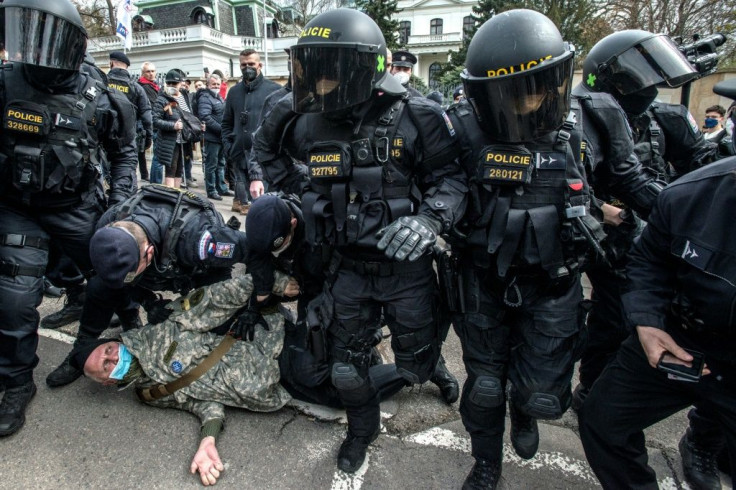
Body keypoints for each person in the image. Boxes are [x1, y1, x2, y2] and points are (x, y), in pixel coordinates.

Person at [253, 8, 467, 473]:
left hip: (405, 270)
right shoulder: (308, 118)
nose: (322, 80)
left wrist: (429, 223)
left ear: (366, 66)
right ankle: (361, 428)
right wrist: (286, 119)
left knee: (414, 362)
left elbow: (451, 181)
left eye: (332, 68)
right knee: (345, 368)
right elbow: (269, 159)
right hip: (345, 268)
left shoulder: (418, 114)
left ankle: (432, 368)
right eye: (314, 67)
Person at [72, 271, 408, 485]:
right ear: (106, 382)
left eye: (108, 350)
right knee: (335, 382)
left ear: (115, 342)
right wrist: (207, 440)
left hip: (272, 345)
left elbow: (220, 295)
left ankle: (412, 367)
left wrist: (275, 284)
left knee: (338, 390)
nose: (112, 358)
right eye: (104, 365)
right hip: (273, 386)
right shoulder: (149, 393)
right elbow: (200, 403)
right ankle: (390, 358)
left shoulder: (163, 329)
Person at [446, 10, 594, 488]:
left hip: (553, 285)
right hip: (484, 280)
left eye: (534, 89)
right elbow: (439, 185)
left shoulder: (592, 120)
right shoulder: (462, 128)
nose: (523, 102)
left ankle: (524, 411)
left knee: (540, 394)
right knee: (485, 386)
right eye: (509, 94)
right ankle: (486, 460)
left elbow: (628, 184)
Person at [578, 29, 727, 489]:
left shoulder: (665, 120)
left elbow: (700, 166)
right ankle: (592, 389)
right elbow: (581, 182)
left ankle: (703, 439)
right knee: (611, 324)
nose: (649, 92)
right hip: (620, 246)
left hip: (672, 246)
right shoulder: (589, 119)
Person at [0, 0, 137, 436]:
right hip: (17, 209)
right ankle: (18, 383)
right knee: (16, 301)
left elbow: (124, 153)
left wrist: (119, 206)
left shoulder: (101, 98)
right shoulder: (6, 84)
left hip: (76, 209)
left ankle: (127, 332)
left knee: (118, 277)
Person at [45, 184, 247, 388]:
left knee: (219, 321)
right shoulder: (107, 227)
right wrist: (149, 302)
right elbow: (119, 280)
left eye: (130, 275)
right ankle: (83, 346)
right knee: (100, 286)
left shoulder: (198, 241)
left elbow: (257, 249)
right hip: (153, 264)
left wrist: (255, 304)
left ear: (149, 253)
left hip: (201, 269)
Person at [221, 49, 281, 215]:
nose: (247, 67)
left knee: (265, 206)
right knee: (247, 208)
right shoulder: (234, 92)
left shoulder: (274, 90)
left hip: (264, 159)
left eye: (251, 64)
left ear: (259, 65)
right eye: (243, 65)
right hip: (239, 154)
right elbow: (226, 122)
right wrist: (229, 146)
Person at [107, 51, 153, 183]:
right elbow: (147, 117)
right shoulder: (136, 88)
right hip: (127, 139)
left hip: (103, 139)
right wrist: (148, 138)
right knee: (125, 179)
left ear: (111, 63)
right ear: (126, 66)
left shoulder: (100, 82)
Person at [152, 69, 201, 189]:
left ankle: (177, 194)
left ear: (180, 84)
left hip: (184, 139)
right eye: (169, 83)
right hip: (170, 140)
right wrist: (173, 126)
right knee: (171, 169)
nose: (171, 86)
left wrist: (197, 125)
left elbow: (189, 115)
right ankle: (170, 196)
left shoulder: (185, 96)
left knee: (180, 169)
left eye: (174, 84)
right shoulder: (162, 99)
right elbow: (155, 121)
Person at [198, 73, 232, 201]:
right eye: (214, 84)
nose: (216, 86)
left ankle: (221, 188)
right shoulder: (205, 97)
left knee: (221, 163)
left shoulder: (219, 97)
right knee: (211, 165)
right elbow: (205, 116)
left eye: (218, 84)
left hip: (220, 137)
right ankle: (211, 190)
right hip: (212, 137)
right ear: (208, 85)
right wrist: (221, 129)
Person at [138, 62, 160, 182]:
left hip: (151, 120)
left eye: (153, 71)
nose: (151, 74)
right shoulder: (143, 86)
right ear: (143, 73)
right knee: (142, 149)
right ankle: (145, 175)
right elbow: (154, 104)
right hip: (145, 121)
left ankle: (145, 175)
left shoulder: (154, 85)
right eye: (148, 71)